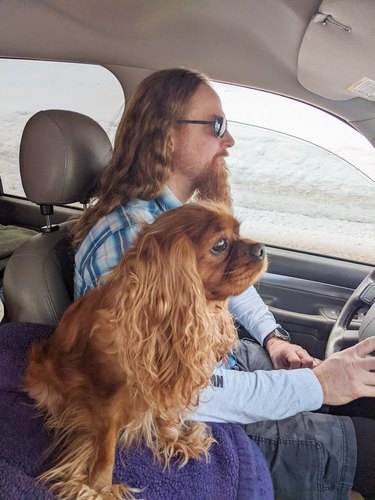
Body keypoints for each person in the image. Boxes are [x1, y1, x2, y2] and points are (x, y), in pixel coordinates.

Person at [72, 68, 375, 499]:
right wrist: (319, 385)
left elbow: (230, 285)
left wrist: (273, 338)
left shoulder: (178, 218)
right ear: (166, 134)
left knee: (348, 398)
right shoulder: (130, 238)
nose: (228, 142)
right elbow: (170, 390)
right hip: (200, 417)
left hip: (226, 369)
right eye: (216, 126)